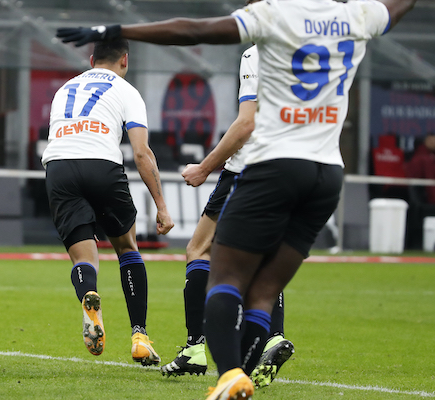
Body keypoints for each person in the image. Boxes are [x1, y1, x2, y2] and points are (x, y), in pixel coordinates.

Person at [57, 0, 415, 397]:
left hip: (269, 166)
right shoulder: (356, 17)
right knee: (263, 282)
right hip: (327, 172)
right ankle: (265, 344)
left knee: (211, 262)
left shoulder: (268, 27)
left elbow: (196, 34)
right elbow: (395, 8)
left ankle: (208, 358)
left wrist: (121, 29)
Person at [162, 19, 293, 387]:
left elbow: (245, 124)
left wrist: (206, 167)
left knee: (199, 249)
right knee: (265, 258)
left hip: (248, 168)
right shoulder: (308, 49)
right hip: (293, 167)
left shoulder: (257, 52)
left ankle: (195, 347)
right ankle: (275, 337)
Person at [41, 38, 174, 365]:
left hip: (58, 166)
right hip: (102, 164)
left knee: (83, 256)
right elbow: (141, 152)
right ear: (124, 60)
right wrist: (161, 204)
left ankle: (89, 294)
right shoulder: (126, 90)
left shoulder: (64, 89)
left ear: (91, 59)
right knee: (127, 248)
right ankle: (140, 336)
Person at [405, 133, 435, 204]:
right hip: (427, 201)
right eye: (432, 139)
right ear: (427, 140)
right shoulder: (423, 158)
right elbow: (430, 183)